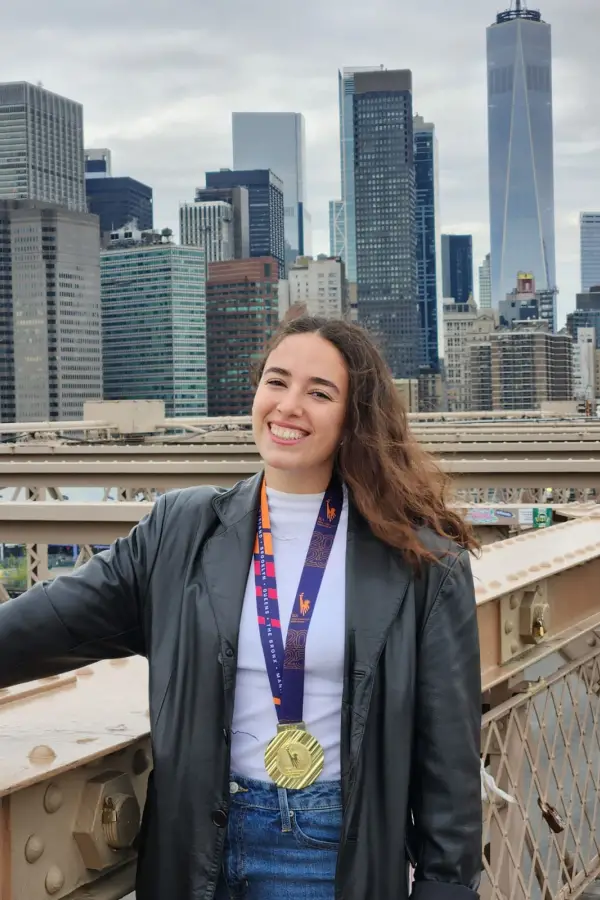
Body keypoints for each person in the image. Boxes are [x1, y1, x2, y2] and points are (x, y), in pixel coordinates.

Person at [0, 316, 482, 900]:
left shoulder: (424, 567)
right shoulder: (181, 529)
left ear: (354, 418)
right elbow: (52, 622)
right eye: (276, 382)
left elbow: (449, 766)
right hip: (196, 846)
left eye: (319, 392)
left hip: (328, 850)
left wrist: (445, 887)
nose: (289, 406)